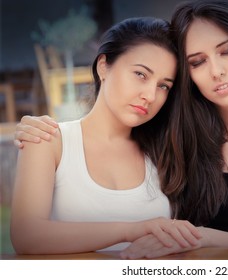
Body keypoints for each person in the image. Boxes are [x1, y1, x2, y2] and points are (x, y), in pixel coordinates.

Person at [14, 0, 228, 259]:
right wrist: (34, 127)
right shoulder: (180, 136)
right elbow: (28, 233)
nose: (217, 71)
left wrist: (199, 238)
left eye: (227, 51)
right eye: (197, 62)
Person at [10, 17, 201, 255]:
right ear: (103, 66)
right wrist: (132, 230)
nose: (150, 95)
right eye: (141, 74)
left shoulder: (164, 152)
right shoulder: (49, 140)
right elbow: (26, 236)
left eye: (163, 86)